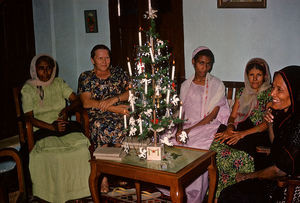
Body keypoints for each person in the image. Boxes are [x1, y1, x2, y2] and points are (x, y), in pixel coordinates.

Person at [218, 66, 300, 202]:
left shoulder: (298, 124)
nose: (272, 93)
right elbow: (275, 144)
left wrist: (248, 176)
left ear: (295, 92)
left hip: (288, 188)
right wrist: (271, 125)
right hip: (276, 177)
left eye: (279, 90)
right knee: (230, 193)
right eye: (273, 87)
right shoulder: (285, 114)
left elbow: (280, 171)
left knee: (232, 196)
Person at [159, 46, 230, 203]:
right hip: (185, 124)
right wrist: (179, 129)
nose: (204, 68)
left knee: (197, 149)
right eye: (201, 63)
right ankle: (172, 185)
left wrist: (189, 130)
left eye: (208, 64)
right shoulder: (185, 85)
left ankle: (193, 195)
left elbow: (212, 115)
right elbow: (181, 111)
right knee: (166, 140)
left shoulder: (217, 84)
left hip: (207, 125)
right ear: (193, 62)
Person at [21, 54, 91, 203]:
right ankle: (54, 195)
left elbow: (76, 99)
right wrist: (52, 127)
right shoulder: (28, 89)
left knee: (82, 151)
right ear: (35, 69)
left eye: (48, 68)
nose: (45, 73)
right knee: (56, 156)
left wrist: (67, 110)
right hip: (42, 129)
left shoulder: (58, 83)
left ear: (53, 70)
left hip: (63, 127)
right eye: (41, 69)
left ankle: (79, 192)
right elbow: (29, 118)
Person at [210, 58, 272, 198]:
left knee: (233, 155)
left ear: (265, 76)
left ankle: (232, 195)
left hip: (257, 134)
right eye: (251, 75)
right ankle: (216, 196)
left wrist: (241, 134)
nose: (255, 79)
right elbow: (232, 117)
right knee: (216, 147)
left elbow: (266, 124)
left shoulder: (269, 93)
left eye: (259, 75)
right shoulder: (242, 92)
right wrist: (230, 128)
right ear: (246, 75)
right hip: (240, 130)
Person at [78, 44, 129, 193]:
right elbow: (87, 102)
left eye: (107, 57)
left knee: (125, 125)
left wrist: (115, 99)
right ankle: (104, 176)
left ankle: (121, 170)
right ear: (92, 60)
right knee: (101, 126)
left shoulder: (118, 73)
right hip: (97, 115)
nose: (104, 61)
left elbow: (130, 93)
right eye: (100, 58)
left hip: (120, 111)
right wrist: (113, 108)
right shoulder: (86, 77)